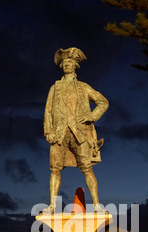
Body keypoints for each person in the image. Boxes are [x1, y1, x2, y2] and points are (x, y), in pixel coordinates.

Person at [44, 47, 109, 212]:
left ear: (75, 66)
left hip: (79, 133)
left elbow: (103, 102)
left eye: (70, 62)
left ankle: (96, 206)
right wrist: (48, 132)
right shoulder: (55, 87)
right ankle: (52, 205)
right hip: (59, 133)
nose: (67, 64)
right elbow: (48, 111)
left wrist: (91, 116)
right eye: (64, 62)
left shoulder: (83, 87)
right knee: (55, 169)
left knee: (87, 168)